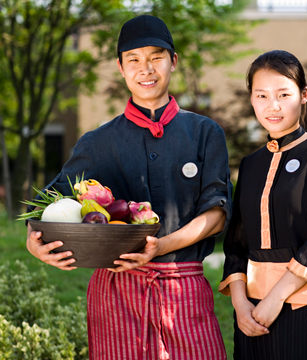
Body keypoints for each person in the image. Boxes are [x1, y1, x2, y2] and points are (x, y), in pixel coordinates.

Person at [26, 15, 232, 360]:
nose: (146, 69)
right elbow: (45, 208)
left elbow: (216, 214)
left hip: (184, 288)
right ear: (121, 68)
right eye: (133, 60)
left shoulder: (205, 132)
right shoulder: (97, 143)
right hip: (116, 292)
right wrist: (36, 247)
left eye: (156, 57)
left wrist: (161, 245)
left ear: (173, 61)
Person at [219, 50, 307, 360]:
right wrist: (240, 306)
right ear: (251, 98)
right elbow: (236, 245)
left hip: (302, 307)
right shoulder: (250, 165)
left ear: (303, 95)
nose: (272, 106)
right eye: (261, 95)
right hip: (251, 316)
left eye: (283, 94)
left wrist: (275, 299)